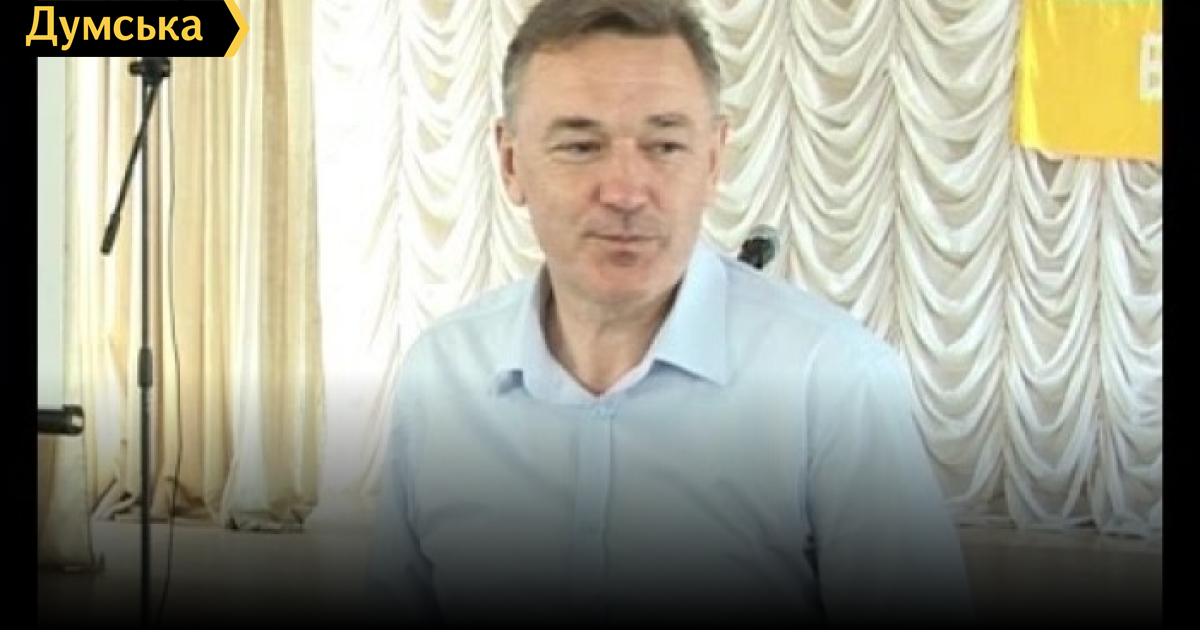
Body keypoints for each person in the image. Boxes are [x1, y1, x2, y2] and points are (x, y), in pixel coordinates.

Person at [366, 0, 975, 625]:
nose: (625, 192)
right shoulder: (440, 375)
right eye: (580, 146)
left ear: (712, 161)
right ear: (510, 161)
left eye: (664, 145)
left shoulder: (837, 382)